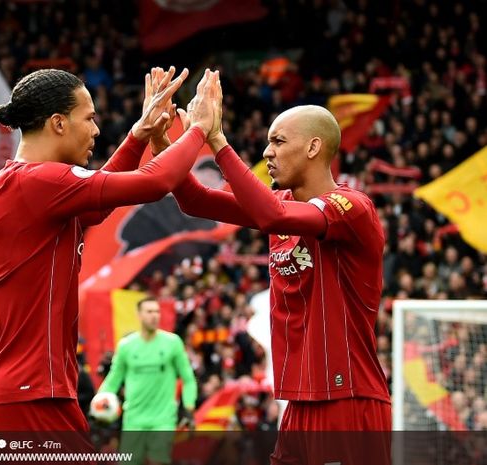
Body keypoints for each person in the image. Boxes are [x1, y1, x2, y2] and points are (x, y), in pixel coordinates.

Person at [153, 75, 390, 461]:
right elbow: (195, 202)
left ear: (314, 147)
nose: (267, 152)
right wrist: (163, 144)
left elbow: (270, 215)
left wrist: (218, 141)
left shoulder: (352, 208)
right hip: (300, 400)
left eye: (278, 141)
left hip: (347, 397)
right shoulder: (279, 202)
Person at [0, 67, 220, 432]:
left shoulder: (19, 184)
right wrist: (199, 127)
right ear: (58, 123)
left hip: (29, 393)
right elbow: (156, 182)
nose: (96, 130)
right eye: (89, 118)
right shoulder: (38, 181)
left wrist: (138, 136)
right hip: (27, 398)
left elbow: (97, 207)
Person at [96, 297, 197, 465]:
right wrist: (99, 402)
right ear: (139, 315)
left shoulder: (172, 343)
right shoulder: (126, 346)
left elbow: (188, 380)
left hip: (163, 419)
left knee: (159, 461)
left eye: (157, 311)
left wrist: (189, 408)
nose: (155, 316)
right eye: (149, 311)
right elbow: (113, 380)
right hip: (134, 418)